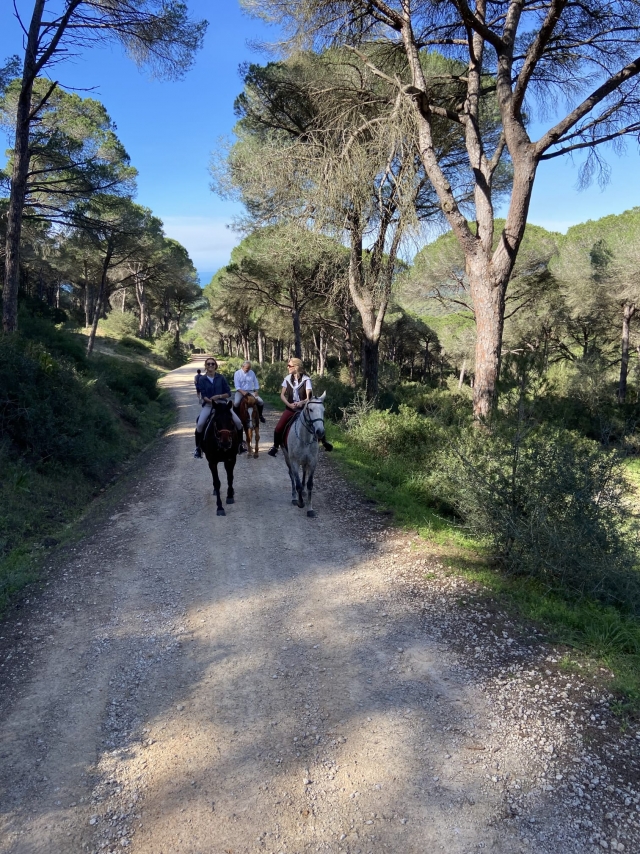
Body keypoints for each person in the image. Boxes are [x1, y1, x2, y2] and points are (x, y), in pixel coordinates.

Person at [267, 357, 333, 456]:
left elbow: (308, 398)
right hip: (290, 409)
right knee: (278, 427)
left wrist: (301, 402)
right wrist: (289, 404)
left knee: (317, 423)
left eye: (289, 366)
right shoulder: (287, 379)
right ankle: (275, 446)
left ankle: (324, 441)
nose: (287, 367)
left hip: (303, 409)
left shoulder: (306, 380)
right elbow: (282, 395)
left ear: (296, 367)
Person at [194, 357, 246, 458]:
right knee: (200, 424)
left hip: (223, 405)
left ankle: (240, 445)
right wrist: (211, 401)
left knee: (238, 422)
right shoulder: (202, 379)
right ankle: (198, 448)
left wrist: (219, 396)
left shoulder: (221, 378)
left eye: (212, 364)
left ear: (215, 366)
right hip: (209, 405)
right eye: (208, 364)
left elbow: (228, 393)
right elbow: (203, 395)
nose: (210, 366)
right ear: (205, 366)